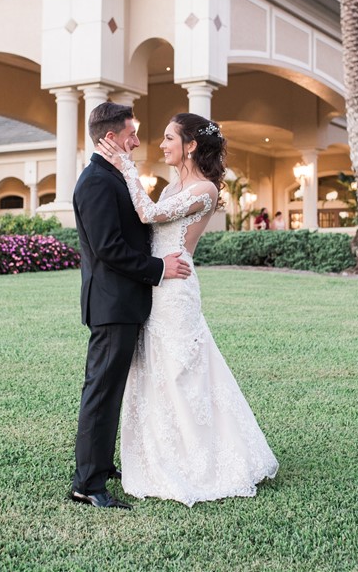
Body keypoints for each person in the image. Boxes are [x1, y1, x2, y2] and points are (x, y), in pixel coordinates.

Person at [97, 113, 279, 506]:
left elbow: (148, 215)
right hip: (156, 281)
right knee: (155, 370)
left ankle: (197, 459)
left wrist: (126, 166)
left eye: (168, 138)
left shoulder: (204, 190)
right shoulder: (171, 186)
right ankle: (161, 452)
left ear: (191, 145)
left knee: (182, 370)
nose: (161, 145)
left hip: (176, 288)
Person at [69, 102, 192, 511]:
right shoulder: (95, 182)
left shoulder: (115, 175)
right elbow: (109, 248)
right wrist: (159, 268)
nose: (137, 141)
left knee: (112, 390)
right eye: (131, 134)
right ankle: (87, 484)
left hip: (124, 303)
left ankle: (101, 465)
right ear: (111, 137)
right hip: (112, 304)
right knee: (101, 392)